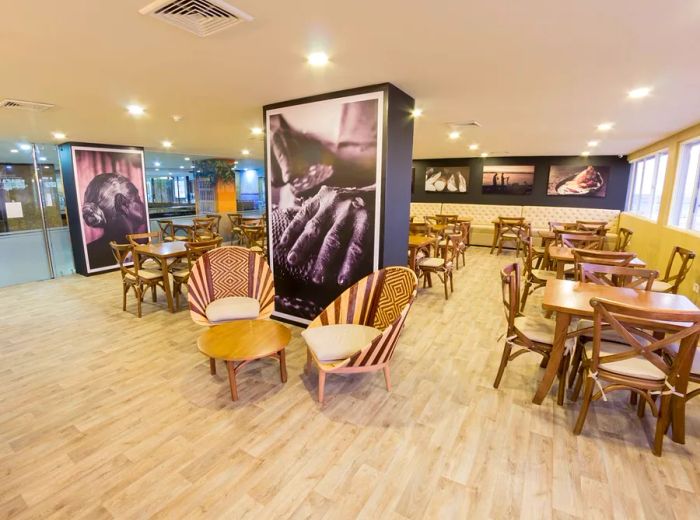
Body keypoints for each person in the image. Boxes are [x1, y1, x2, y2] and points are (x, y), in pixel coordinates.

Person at [268, 98, 378, 319]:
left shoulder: (375, 105)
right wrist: (276, 134)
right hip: (301, 203)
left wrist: (364, 195)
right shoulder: (280, 109)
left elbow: (396, 174)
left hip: (359, 210)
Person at [81, 173, 148, 270]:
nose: (142, 204)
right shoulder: (95, 255)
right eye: (137, 199)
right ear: (123, 205)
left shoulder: (92, 251)